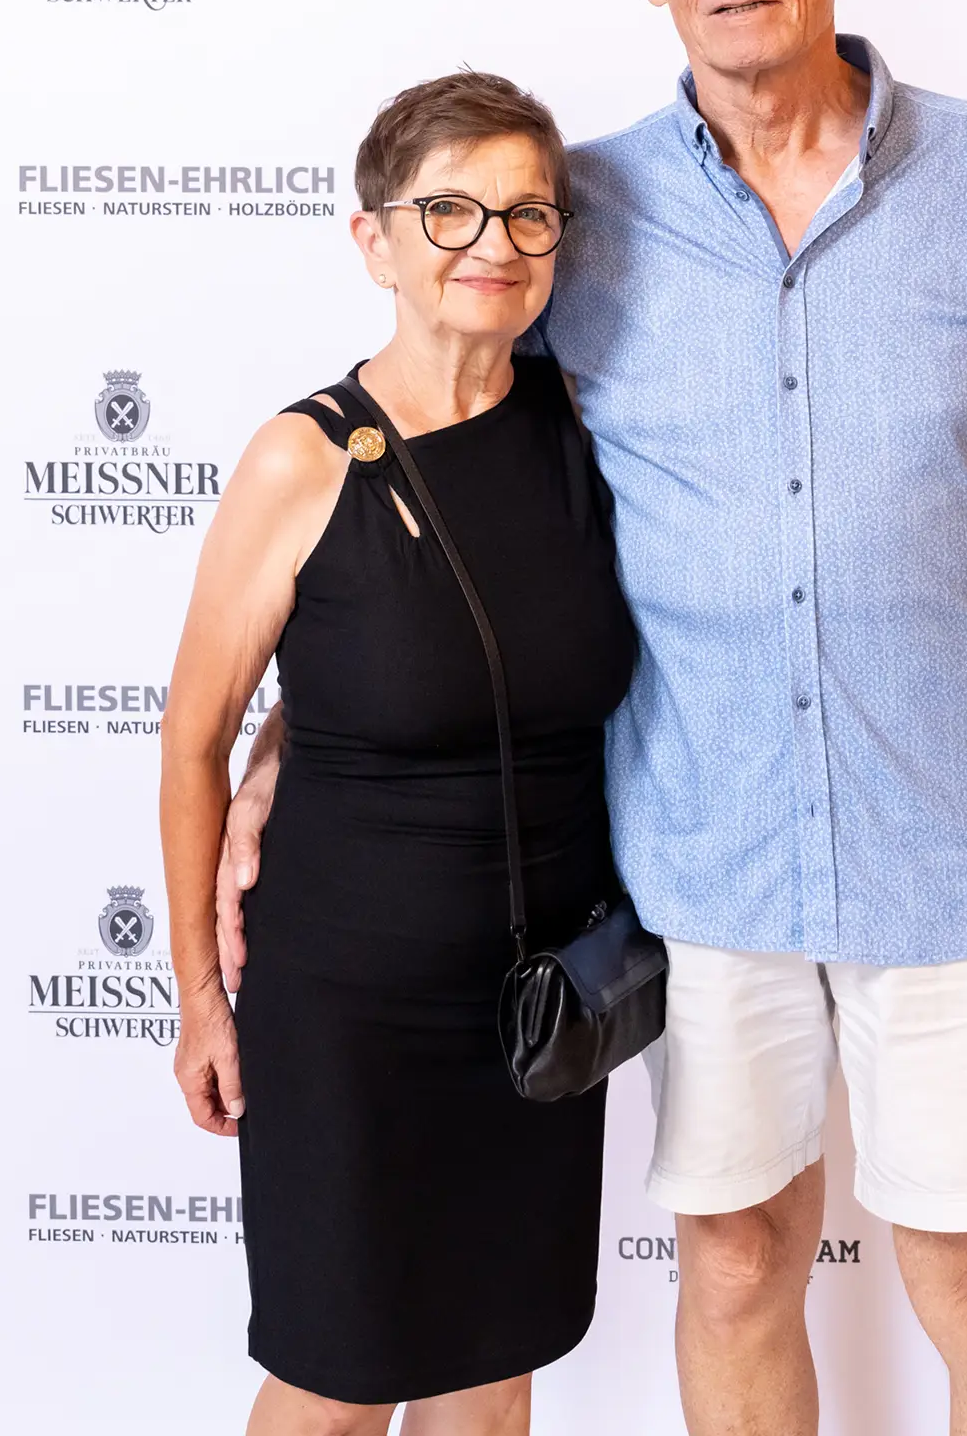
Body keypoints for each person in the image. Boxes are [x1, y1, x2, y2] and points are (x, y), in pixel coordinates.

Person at [225, 0, 967, 1436]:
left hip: (948, 847)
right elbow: (457, 485)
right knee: (734, 1264)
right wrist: (298, 731)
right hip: (696, 857)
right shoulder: (576, 216)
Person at [158, 71, 638, 1436]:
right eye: (449, 210)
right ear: (374, 240)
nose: (493, 242)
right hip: (349, 1007)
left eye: (528, 213)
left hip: (546, 996)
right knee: (337, 1380)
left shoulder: (590, 430)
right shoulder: (302, 461)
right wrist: (201, 999)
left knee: (494, 1367)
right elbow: (195, 742)